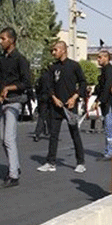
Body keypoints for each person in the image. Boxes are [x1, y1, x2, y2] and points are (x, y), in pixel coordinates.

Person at [0, 26, 31, 189]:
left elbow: (26, 83)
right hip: (2, 102)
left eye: (3, 39)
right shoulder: (0, 59)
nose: (0, 42)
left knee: (9, 138)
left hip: (14, 102)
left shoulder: (20, 59)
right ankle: (15, 166)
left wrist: (9, 88)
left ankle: (13, 175)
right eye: (0, 39)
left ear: (12, 40)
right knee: (3, 139)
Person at [37, 41, 87, 173]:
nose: (53, 53)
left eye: (55, 50)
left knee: (74, 133)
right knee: (53, 135)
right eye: (52, 50)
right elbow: (49, 86)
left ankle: (80, 162)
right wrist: (54, 98)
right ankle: (50, 162)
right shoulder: (53, 68)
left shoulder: (74, 66)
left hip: (70, 107)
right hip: (56, 107)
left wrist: (74, 98)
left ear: (63, 50)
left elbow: (83, 83)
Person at [95, 50, 112, 159]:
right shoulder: (104, 70)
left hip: (109, 102)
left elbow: (107, 87)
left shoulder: (109, 70)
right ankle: (110, 150)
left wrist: (101, 100)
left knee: (109, 127)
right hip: (106, 102)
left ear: (106, 58)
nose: (98, 59)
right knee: (108, 127)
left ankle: (111, 151)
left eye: (100, 57)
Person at [33, 68, 51, 142]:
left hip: (41, 98)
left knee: (42, 115)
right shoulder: (51, 78)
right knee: (48, 115)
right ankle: (47, 131)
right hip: (49, 98)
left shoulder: (40, 78)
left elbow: (37, 87)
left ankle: (41, 132)